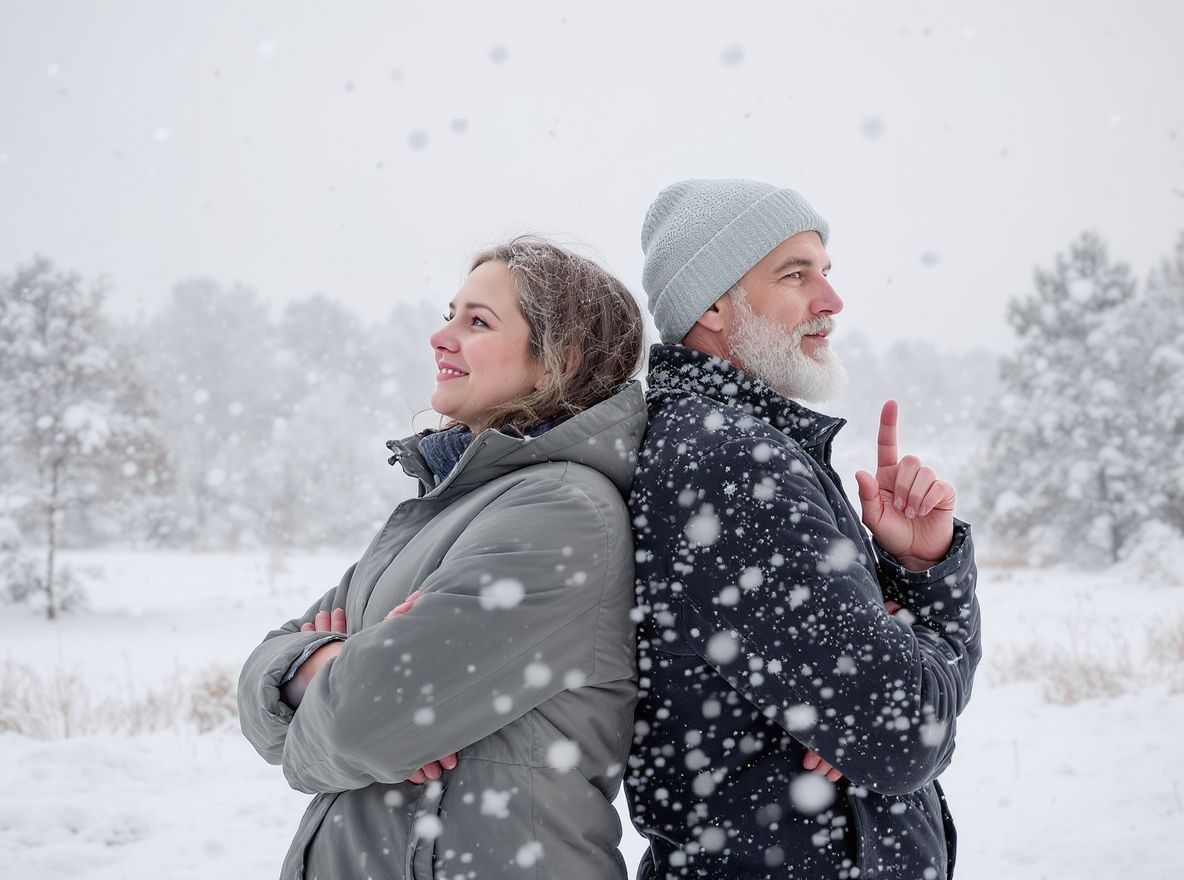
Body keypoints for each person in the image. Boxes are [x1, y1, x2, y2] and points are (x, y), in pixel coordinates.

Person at [237, 236, 647, 879]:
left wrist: (341, 681)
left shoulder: (562, 513)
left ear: (556, 362)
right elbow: (264, 676)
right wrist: (317, 661)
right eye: (450, 312)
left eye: (477, 321)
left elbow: (358, 723)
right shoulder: (452, 508)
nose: (441, 336)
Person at [625, 180, 982, 879]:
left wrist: (921, 568)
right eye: (795, 275)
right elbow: (902, 730)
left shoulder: (736, 444)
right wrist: (899, 671)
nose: (831, 301)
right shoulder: (729, 459)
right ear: (712, 306)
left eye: (826, 272)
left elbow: (876, 715)